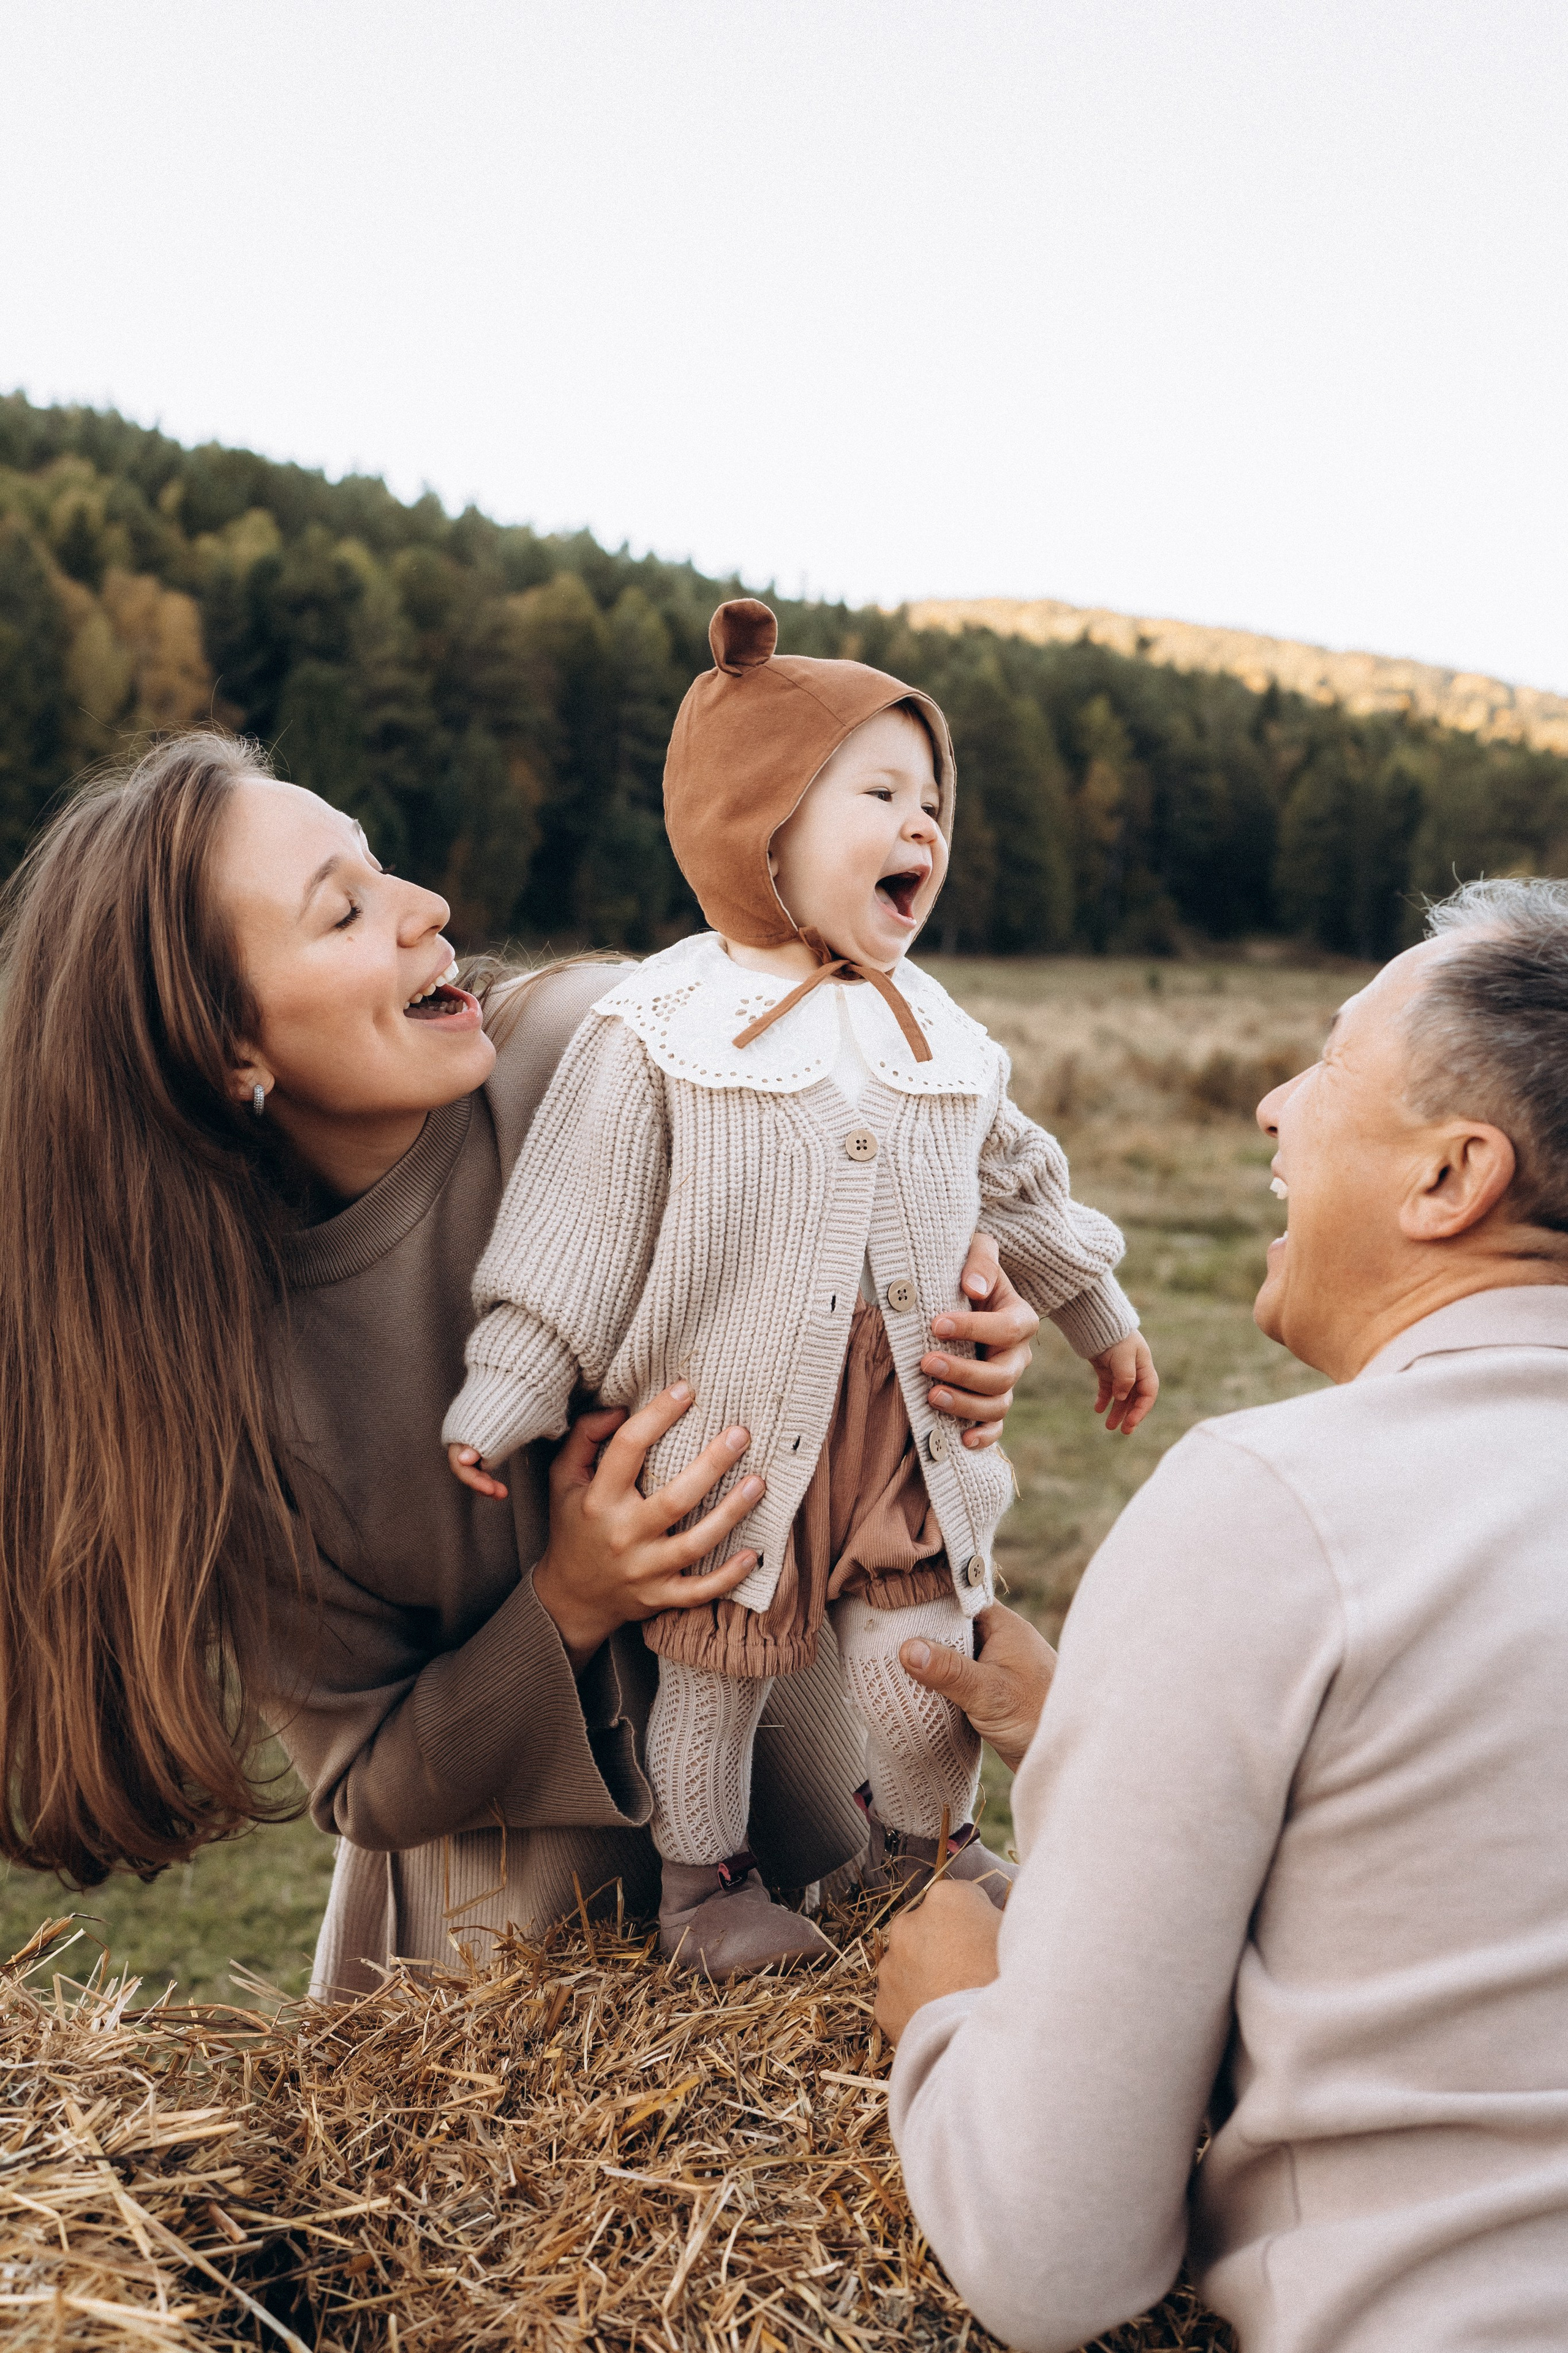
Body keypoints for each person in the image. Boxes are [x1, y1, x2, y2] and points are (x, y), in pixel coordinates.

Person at [0, 728, 1041, 1996]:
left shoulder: (623, 1046)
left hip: (829, 1877)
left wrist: (967, 1321)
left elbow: (900, 1171)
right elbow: (370, 1775)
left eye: (381, 866)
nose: (424, 907)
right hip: (498, 2007)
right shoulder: (214, 1384)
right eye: (344, 911)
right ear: (228, 1050)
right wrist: (572, 1595)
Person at [873, 877, 1568, 2352]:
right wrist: (1113, 1753)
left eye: (1323, 1065)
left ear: (1448, 1179)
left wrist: (951, 2013)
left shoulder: (1272, 1505)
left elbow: (1050, 2260)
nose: (1267, 1103)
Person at [441, 599, 1158, 1975]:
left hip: (902, 1433)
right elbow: (578, 1217)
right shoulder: (661, 1023)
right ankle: (703, 1885)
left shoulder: (936, 1024)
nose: (923, 828)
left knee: (918, 1662)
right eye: (879, 793)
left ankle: (924, 1853)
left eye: (934, 801)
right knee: (713, 1672)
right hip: (727, 1437)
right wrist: (511, 1383)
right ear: (754, 816)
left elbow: (1013, 1179)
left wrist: (1097, 1311)